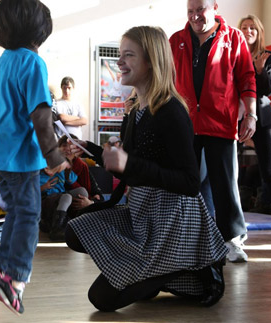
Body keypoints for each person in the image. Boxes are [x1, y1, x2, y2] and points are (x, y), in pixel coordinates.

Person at [66, 25, 228, 312]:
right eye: (120, 55)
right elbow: (130, 170)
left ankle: (187, 265)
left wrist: (129, 163)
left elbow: (190, 182)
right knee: (74, 232)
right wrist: (90, 149)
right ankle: (154, 274)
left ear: (151, 61)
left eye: (128, 55)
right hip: (144, 211)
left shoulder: (171, 111)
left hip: (172, 220)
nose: (119, 62)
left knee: (101, 299)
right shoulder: (135, 110)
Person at [0, 0, 68, 315]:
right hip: (19, 155)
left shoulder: (2, 61)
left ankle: (2, 271)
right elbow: (41, 118)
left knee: (16, 212)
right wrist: (55, 155)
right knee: (29, 214)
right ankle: (14, 278)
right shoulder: (33, 63)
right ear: (37, 29)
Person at [170, 0, 257, 263]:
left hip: (221, 122)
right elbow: (163, 77)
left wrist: (250, 113)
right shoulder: (176, 40)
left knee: (225, 184)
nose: (196, 16)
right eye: (191, 11)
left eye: (201, 10)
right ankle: (185, 240)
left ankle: (232, 240)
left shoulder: (234, 37)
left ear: (215, 7)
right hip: (185, 123)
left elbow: (247, 77)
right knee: (184, 184)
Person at [238, 14, 271, 238]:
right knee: (232, 172)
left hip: (261, 116)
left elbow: (269, 89)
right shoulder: (234, 56)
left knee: (268, 170)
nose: (248, 31)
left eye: (252, 28)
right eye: (244, 28)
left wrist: (259, 70)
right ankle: (232, 220)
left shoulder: (268, 56)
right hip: (235, 116)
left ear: (259, 32)